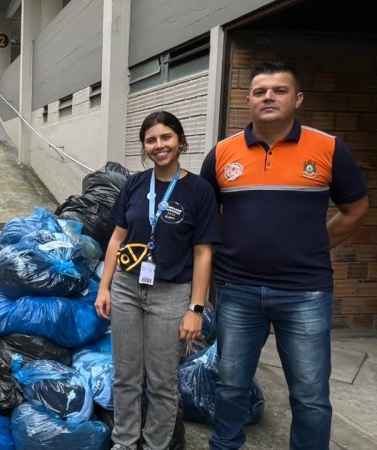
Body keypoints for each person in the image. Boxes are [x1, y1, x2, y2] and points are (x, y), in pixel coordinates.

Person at [200, 61, 369, 450]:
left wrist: (314, 245)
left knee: (310, 395)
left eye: (279, 90)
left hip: (305, 291)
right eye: (260, 91)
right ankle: (225, 445)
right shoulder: (223, 153)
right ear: (249, 101)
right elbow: (209, 215)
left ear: (297, 99)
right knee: (230, 384)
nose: (268, 97)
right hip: (237, 290)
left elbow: (356, 209)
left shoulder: (328, 148)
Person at [95, 111, 221, 450]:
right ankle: (124, 443)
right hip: (126, 288)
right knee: (126, 376)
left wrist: (196, 307)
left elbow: (203, 253)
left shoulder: (199, 191)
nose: (159, 145)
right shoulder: (135, 184)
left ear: (180, 141)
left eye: (166, 137)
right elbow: (116, 240)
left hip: (171, 293)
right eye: (151, 140)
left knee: (163, 381)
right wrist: (104, 287)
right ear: (144, 147)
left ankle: (154, 445)